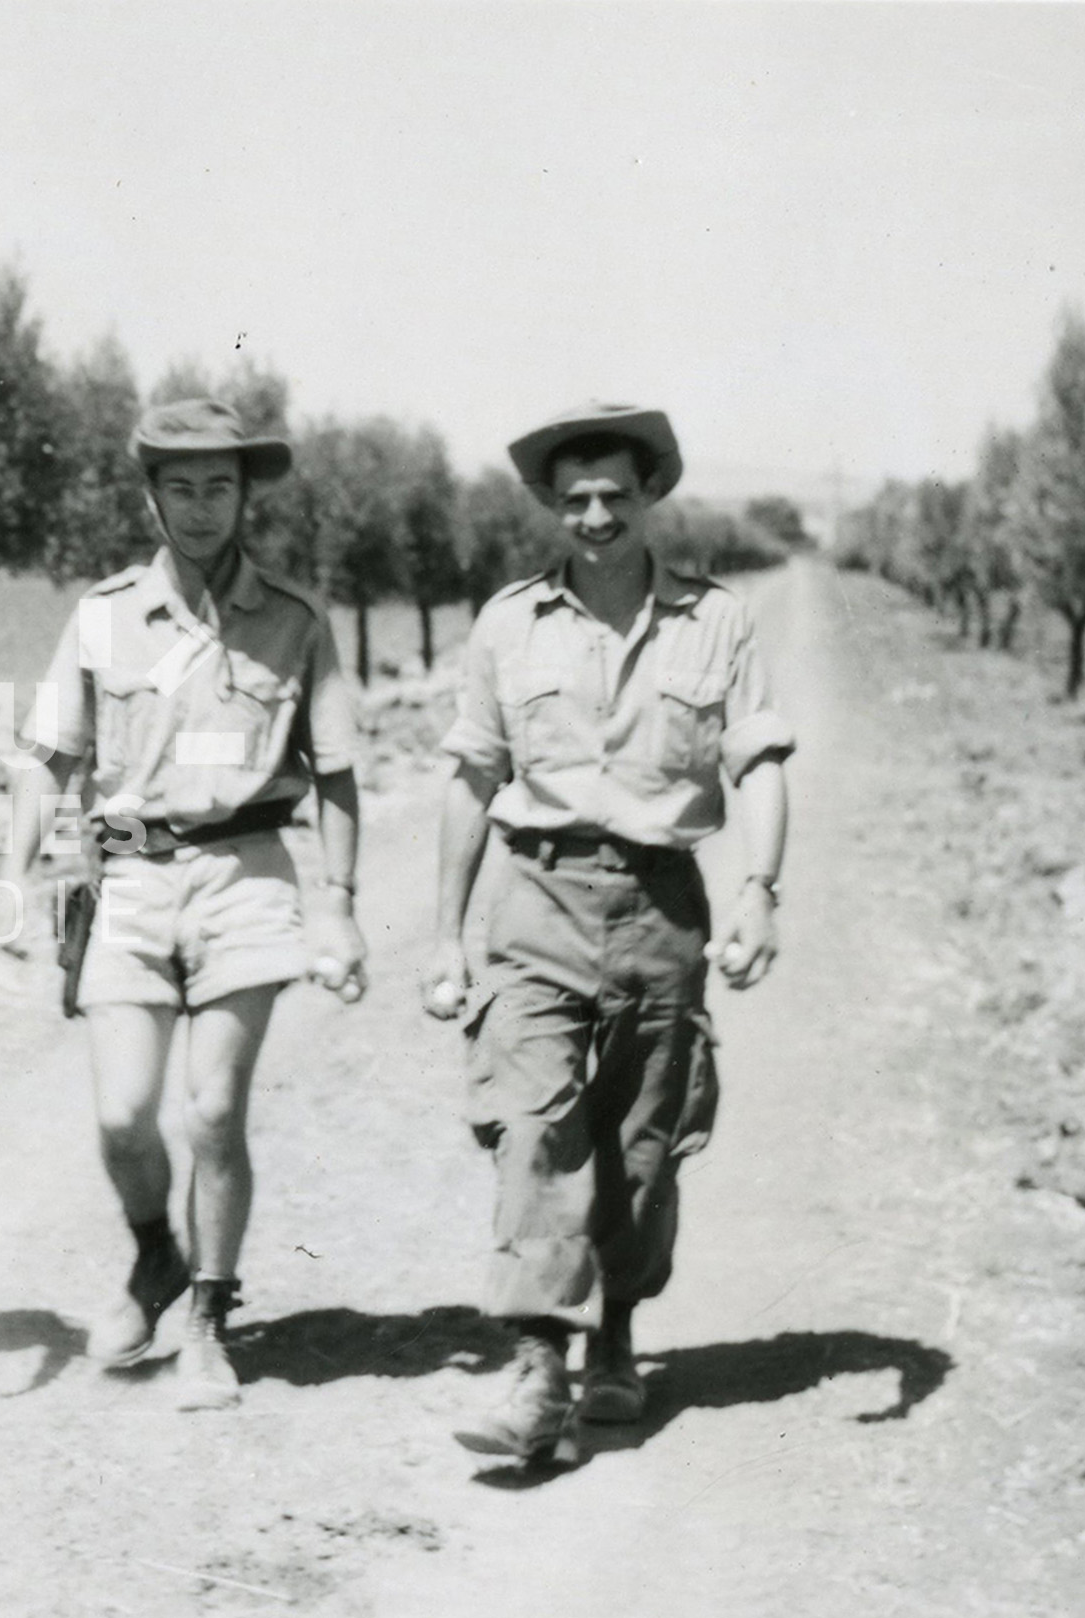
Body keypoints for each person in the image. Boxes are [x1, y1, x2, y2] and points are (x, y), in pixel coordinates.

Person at [425, 402, 794, 1465]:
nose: (594, 514)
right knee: (535, 1124)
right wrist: (445, 938)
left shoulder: (714, 619)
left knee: (639, 1144)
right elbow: (470, 777)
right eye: (574, 496)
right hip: (536, 895)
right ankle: (539, 1367)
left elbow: (759, 761)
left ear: (650, 496)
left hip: (661, 904)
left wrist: (761, 887)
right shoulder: (506, 624)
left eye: (614, 495)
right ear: (549, 503)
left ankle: (616, 1337)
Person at [0, 398, 369, 1412]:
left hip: (246, 873)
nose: (201, 507)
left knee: (211, 1109)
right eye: (180, 487)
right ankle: (156, 1252)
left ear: (246, 495)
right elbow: (47, 758)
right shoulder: (104, 614)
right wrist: (8, 871)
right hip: (124, 880)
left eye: (220, 486)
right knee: (122, 1115)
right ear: (150, 498)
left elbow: (334, 776)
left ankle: (208, 1313)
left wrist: (336, 904)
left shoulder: (294, 621)